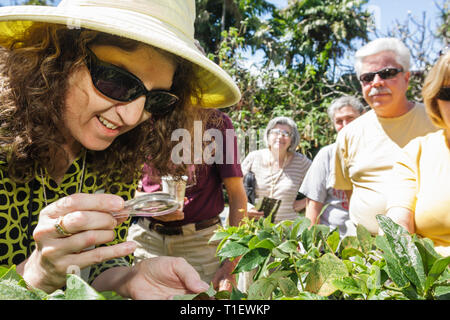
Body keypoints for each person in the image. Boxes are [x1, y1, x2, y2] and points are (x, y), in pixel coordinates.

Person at [0, 0, 241, 299]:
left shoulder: (118, 153)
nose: (132, 117)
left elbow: (95, 262)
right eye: (115, 80)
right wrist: (39, 273)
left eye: (156, 100)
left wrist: (127, 278)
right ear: (57, 56)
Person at [128, 109, 247, 291]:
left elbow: (237, 195)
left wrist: (232, 265)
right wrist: (151, 205)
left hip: (200, 244)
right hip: (146, 240)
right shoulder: (143, 117)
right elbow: (124, 192)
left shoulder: (218, 124)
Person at [332, 38, 437, 235]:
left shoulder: (437, 121)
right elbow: (349, 191)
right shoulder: (348, 134)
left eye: (388, 73)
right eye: (367, 78)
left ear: (407, 78)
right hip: (364, 254)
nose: (377, 82)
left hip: (432, 251)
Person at [385, 50, 450, 257]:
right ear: (435, 100)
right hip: (434, 282)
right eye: (448, 94)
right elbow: (397, 227)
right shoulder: (416, 153)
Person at [300, 96, 365, 237]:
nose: (345, 125)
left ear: (363, 117)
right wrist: (308, 246)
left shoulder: (376, 152)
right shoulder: (327, 155)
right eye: (339, 121)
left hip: (370, 244)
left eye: (350, 118)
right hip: (333, 244)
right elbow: (313, 204)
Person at [242, 116, 312, 223]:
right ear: (268, 135)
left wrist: (305, 202)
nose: (280, 136)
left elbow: (323, 186)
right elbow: (235, 188)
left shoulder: (301, 162)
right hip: (254, 229)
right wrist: (247, 207)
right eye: (275, 132)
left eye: (286, 133)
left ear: (292, 139)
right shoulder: (254, 157)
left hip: (287, 231)